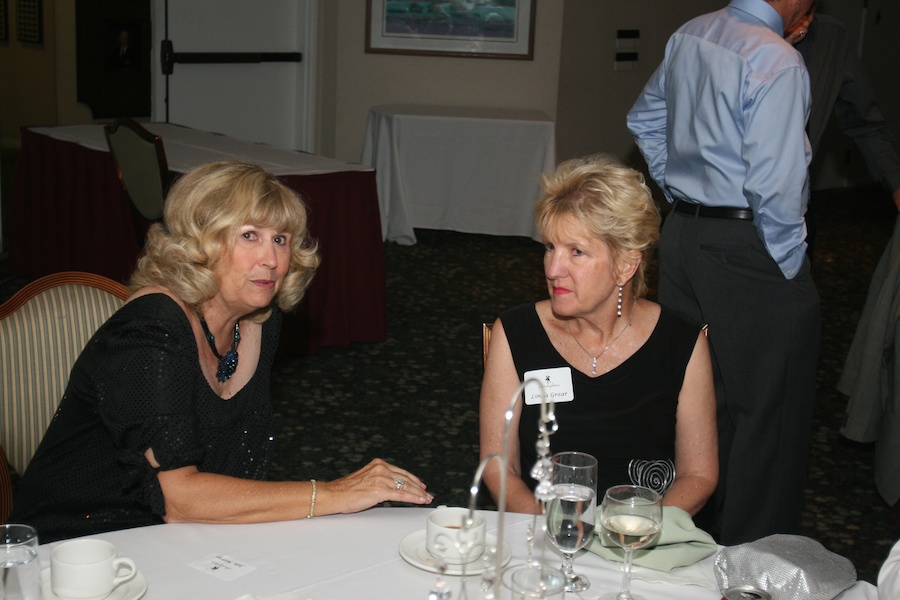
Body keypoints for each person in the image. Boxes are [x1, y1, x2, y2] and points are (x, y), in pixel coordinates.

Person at [8, 161, 433, 542]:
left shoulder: (259, 322)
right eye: (249, 236)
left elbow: (231, 470)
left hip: (184, 542)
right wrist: (337, 492)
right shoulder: (151, 328)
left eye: (281, 239)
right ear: (202, 243)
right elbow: (180, 499)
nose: (271, 259)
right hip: (81, 549)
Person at [626, 0, 820, 545]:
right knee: (769, 413)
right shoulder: (776, 59)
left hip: (686, 235)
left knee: (700, 400)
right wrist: (789, 260)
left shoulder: (693, 33)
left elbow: (643, 118)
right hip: (748, 244)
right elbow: (776, 182)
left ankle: (693, 545)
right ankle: (756, 565)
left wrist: (681, 192)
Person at [479, 154, 718, 516]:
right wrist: (554, 528)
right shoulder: (515, 334)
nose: (553, 268)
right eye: (549, 247)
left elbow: (698, 475)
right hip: (539, 531)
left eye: (576, 252)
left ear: (625, 265)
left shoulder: (681, 344)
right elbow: (499, 467)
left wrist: (634, 532)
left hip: (642, 536)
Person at [785, 9, 900, 258]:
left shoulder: (831, 37)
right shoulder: (736, 33)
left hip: (797, 213)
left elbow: (865, 122)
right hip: (731, 215)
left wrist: (896, 182)